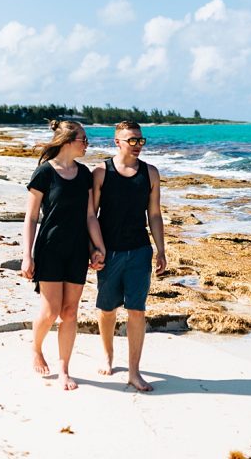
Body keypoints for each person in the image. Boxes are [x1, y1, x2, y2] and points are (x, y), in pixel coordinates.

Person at [21, 119, 105, 390]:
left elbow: (90, 215)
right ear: (68, 141)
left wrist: (97, 246)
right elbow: (31, 217)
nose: (87, 144)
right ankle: (36, 348)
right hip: (50, 248)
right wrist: (27, 255)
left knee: (69, 313)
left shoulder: (84, 174)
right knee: (50, 311)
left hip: (78, 249)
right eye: (83, 139)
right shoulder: (44, 173)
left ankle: (64, 370)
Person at [92, 120, 167, 392]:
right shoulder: (101, 172)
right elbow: (92, 215)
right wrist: (94, 248)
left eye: (141, 140)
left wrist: (161, 249)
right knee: (108, 309)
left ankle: (134, 372)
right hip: (109, 252)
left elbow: (155, 214)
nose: (138, 145)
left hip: (139, 250)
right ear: (117, 142)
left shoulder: (151, 173)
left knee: (137, 310)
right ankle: (108, 354)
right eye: (132, 140)